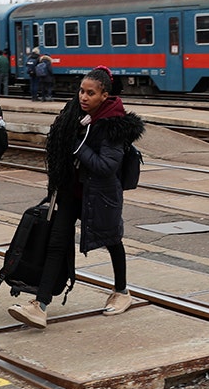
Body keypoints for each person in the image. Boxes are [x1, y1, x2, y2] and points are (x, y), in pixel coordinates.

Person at [8, 66, 145, 327]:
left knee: (112, 240)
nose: (83, 97)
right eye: (81, 91)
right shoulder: (78, 117)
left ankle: (122, 292)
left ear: (104, 96)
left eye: (90, 93)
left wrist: (77, 147)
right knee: (57, 243)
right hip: (73, 192)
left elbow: (106, 167)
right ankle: (40, 304)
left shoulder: (114, 125)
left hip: (100, 196)